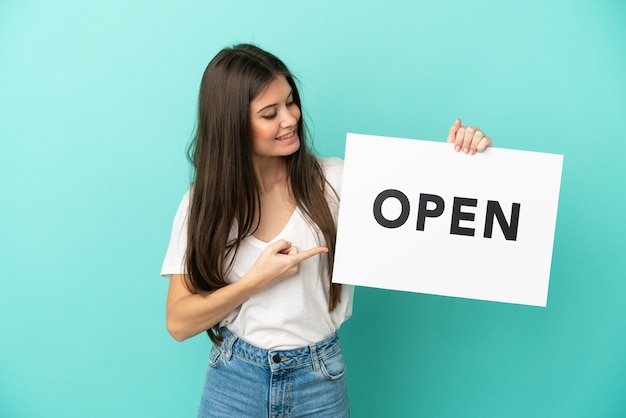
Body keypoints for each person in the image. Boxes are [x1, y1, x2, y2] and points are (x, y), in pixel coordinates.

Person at [161, 43, 492, 418]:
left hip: (318, 380)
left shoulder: (338, 181)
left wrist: (465, 161)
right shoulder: (203, 203)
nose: (291, 118)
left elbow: (433, 209)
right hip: (234, 380)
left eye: (290, 102)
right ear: (232, 125)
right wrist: (254, 281)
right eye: (270, 113)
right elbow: (179, 322)